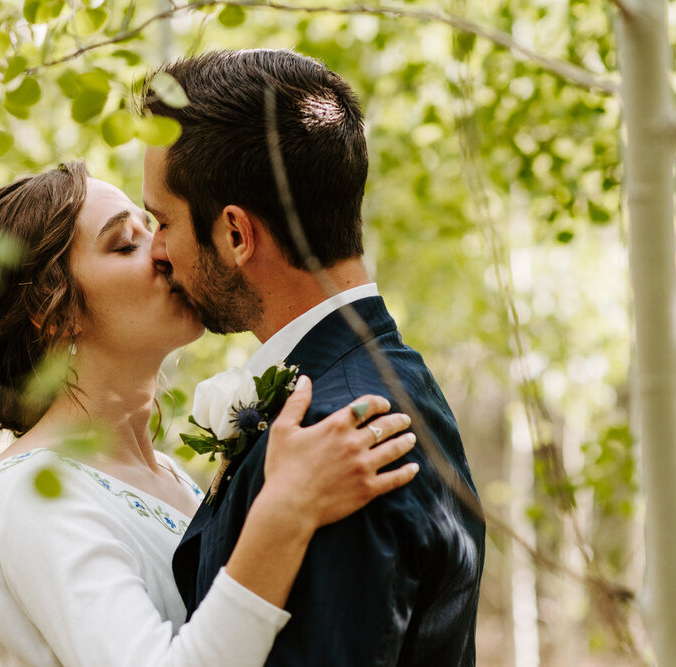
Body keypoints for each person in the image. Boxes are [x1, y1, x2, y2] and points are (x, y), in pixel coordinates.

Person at [0, 161, 421, 666]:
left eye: (155, 228)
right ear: (54, 310)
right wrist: (286, 511)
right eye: (125, 244)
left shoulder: (171, 479)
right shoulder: (35, 494)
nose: (165, 251)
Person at [140, 49, 486, 665]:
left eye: (161, 221)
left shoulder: (340, 435)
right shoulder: (380, 378)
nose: (157, 251)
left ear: (236, 235)